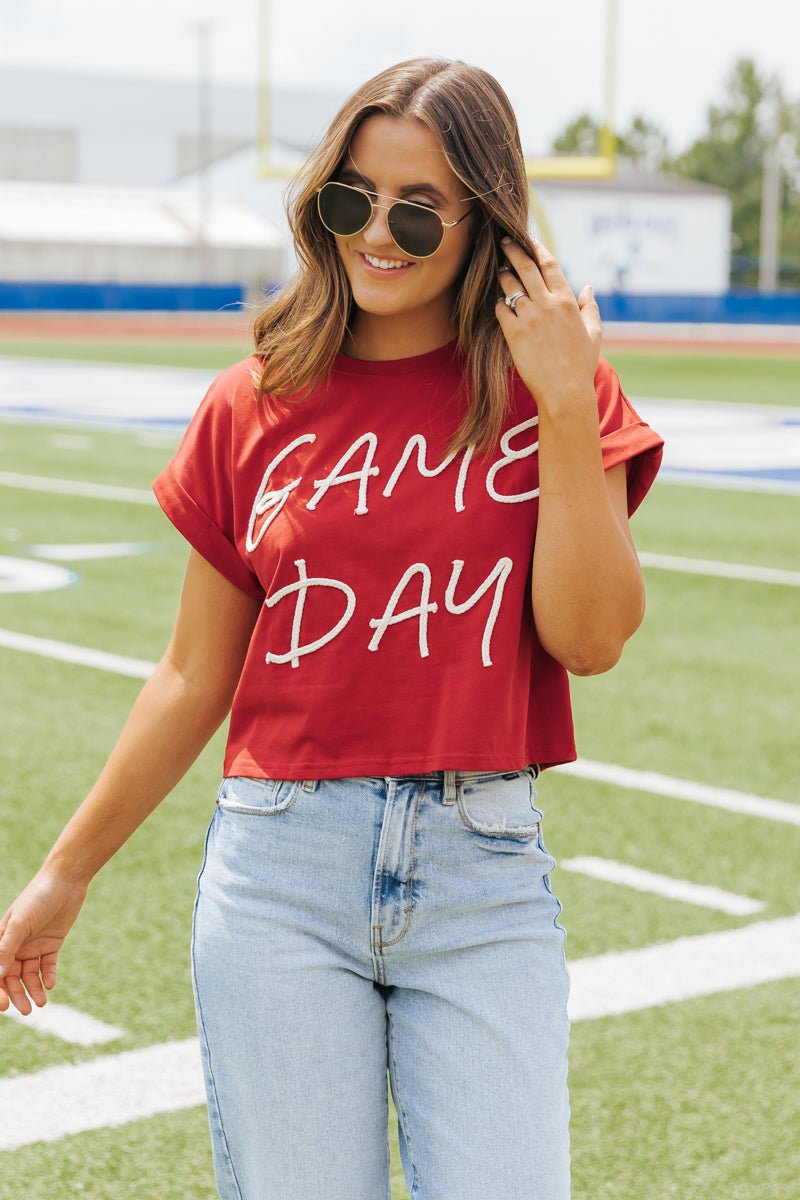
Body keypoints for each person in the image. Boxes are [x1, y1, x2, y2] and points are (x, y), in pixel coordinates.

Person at [0, 57, 663, 1200]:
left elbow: (590, 637)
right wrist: (65, 874)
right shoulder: (252, 398)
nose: (379, 234)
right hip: (277, 877)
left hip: (482, 871)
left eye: (418, 208)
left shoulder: (553, 390)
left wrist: (560, 397)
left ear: (487, 222)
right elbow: (191, 674)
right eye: (353, 199)